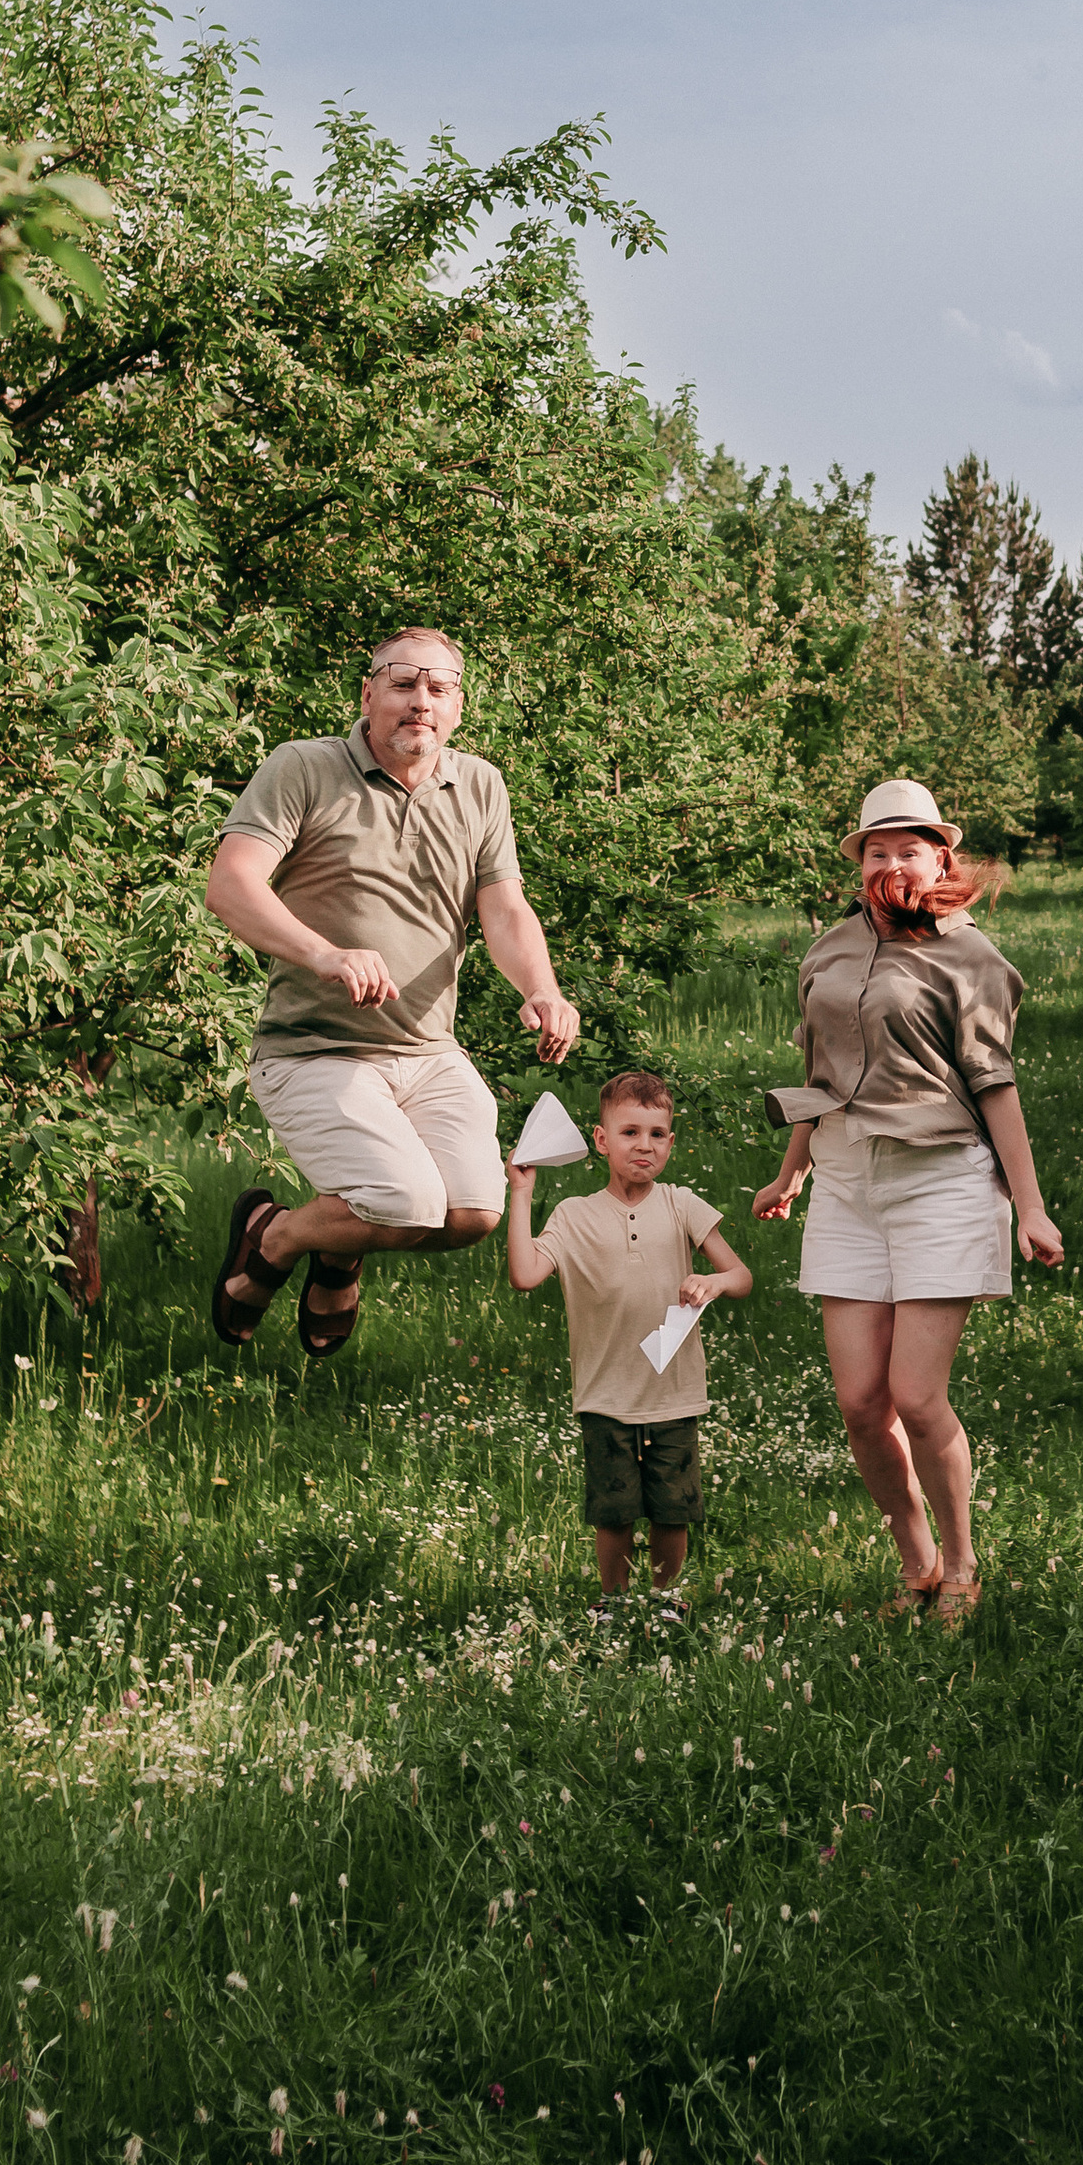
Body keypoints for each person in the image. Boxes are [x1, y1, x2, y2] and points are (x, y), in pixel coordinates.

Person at [203, 628, 581, 1354]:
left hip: (429, 1051)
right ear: (369, 693)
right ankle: (277, 1239)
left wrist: (541, 989)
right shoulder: (303, 769)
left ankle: (327, 1241)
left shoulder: (480, 785)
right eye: (404, 683)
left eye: (439, 688)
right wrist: (324, 953)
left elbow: (503, 908)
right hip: (315, 1051)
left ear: (459, 707)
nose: (420, 702)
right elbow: (232, 884)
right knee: (405, 1203)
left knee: (471, 1213)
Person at [752, 778, 1062, 1625]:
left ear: (940, 858)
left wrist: (1029, 1206)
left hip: (942, 1179)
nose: (894, 861)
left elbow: (995, 1086)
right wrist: (793, 1173)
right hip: (847, 1181)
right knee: (860, 1404)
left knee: (917, 1398)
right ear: (860, 859)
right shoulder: (830, 946)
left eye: (911, 848)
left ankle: (962, 1566)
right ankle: (916, 1563)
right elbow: (819, 1078)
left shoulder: (974, 957)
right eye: (877, 849)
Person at [505, 1067, 751, 1623]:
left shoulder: (682, 1204)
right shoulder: (573, 1216)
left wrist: (712, 1283)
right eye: (629, 1132)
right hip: (605, 1392)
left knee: (672, 1508)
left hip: (674, 1392)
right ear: (600, 1140)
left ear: (671, 1140)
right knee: (613, 1509)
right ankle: (613, 1602)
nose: (645, 1145)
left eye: (657, 1133)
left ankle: (666, 1599)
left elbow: (741, 1277)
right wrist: (522, 1194)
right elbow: (524, 1273)